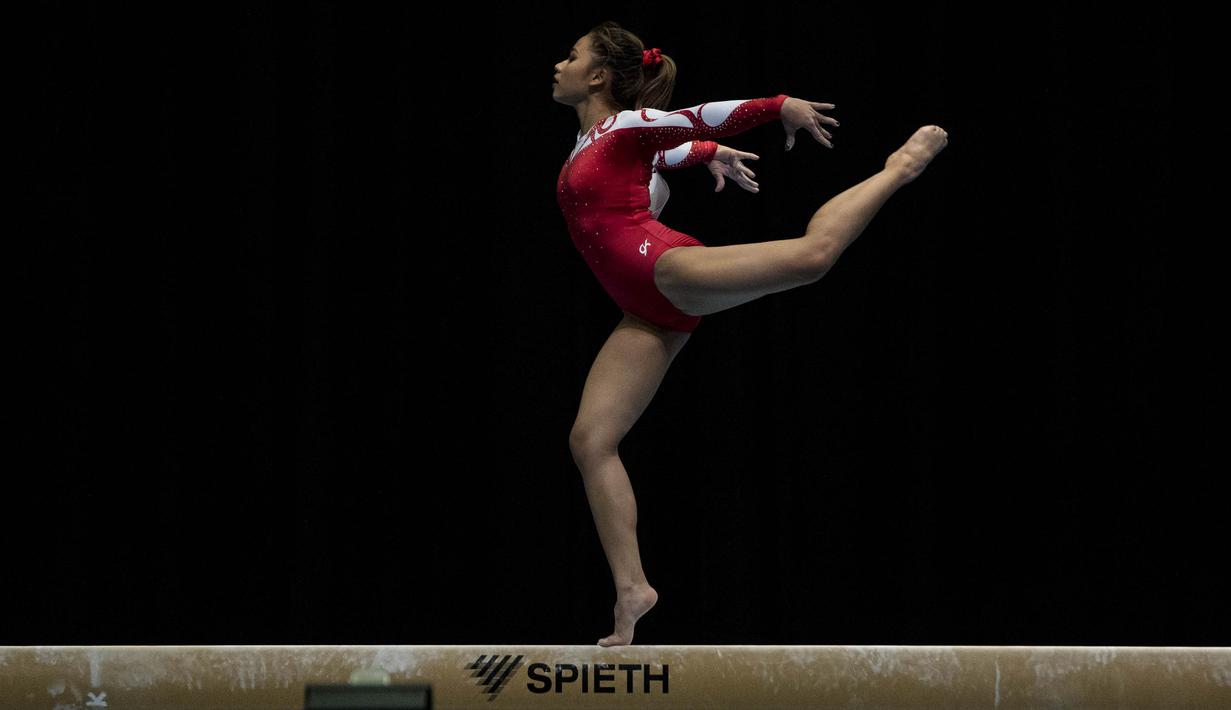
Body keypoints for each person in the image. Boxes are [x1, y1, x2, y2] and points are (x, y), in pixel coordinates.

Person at [552, 20, 947, 647]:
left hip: (665, 270)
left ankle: (899, 168)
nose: (559, 65)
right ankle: (634, 588)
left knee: (812, 258)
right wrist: (710, 156)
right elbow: (677, 149)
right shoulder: (594, 141)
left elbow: (696, 118)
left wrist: (777, 106)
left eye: (570, 57)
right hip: (643, 310)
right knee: (590, 440)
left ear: (599, 76)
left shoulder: (623, 126)